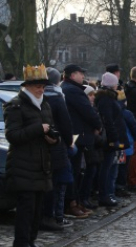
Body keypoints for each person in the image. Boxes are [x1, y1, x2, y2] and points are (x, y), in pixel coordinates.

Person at [4, 65, 57, 247]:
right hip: (23, 165)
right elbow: (13, 136)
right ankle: (21, 243)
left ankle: (31, 241)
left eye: (42, 86)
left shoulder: (45, 104)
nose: (40, 89)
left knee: (37, 209)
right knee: (26, 210)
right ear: (27, 87)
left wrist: (53, 138)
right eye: (37, 86)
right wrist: (38, 129)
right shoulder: (16, 105)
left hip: (42, 164)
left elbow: (50, 128)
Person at [61, 64, 102, 218]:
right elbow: (87, 111)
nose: (83, 76)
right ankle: (71, 204)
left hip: (76, 134)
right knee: (74, 171)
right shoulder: (73, 90)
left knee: (76, 171)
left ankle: (75, 202)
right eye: (80, 74)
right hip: (78, 135)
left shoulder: (67, 88)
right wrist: (97, 125)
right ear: (72, 75)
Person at [40, 67, 74, 231]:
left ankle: (48, 215)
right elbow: (65, 123)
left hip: (43, 144)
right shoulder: (57, 97)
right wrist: (69, 142)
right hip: (56, 144)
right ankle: (51, 216)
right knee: (56, 183)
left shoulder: (40, 97)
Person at [95, 72, 129, 206]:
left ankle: (109, 193)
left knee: (111, 167)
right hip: (110, 139)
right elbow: (109, 121)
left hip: (114, 137)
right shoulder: (106, 100)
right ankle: (105, 195)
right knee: (107, 168)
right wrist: (114, 138)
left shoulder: (109, 98)